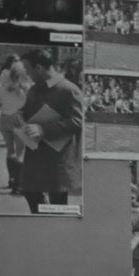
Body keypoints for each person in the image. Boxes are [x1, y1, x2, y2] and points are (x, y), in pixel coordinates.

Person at [18, 48, 83, 214]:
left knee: (58, 206)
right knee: (30, 191)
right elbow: (28, 113)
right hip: (35, 154)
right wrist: (19, 116)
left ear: (38, 68)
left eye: (27, 70)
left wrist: (43, 130)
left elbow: (78, 121)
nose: (26, 74)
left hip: (58, 158)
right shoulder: (33, 89)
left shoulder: (69, 90)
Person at [0, 59, 31, 194]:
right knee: (20, 153)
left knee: (10, 150)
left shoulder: (1, 88)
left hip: (5, 118)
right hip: (19, 118)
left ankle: (11, 179)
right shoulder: (26, 88)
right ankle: (18, 185)